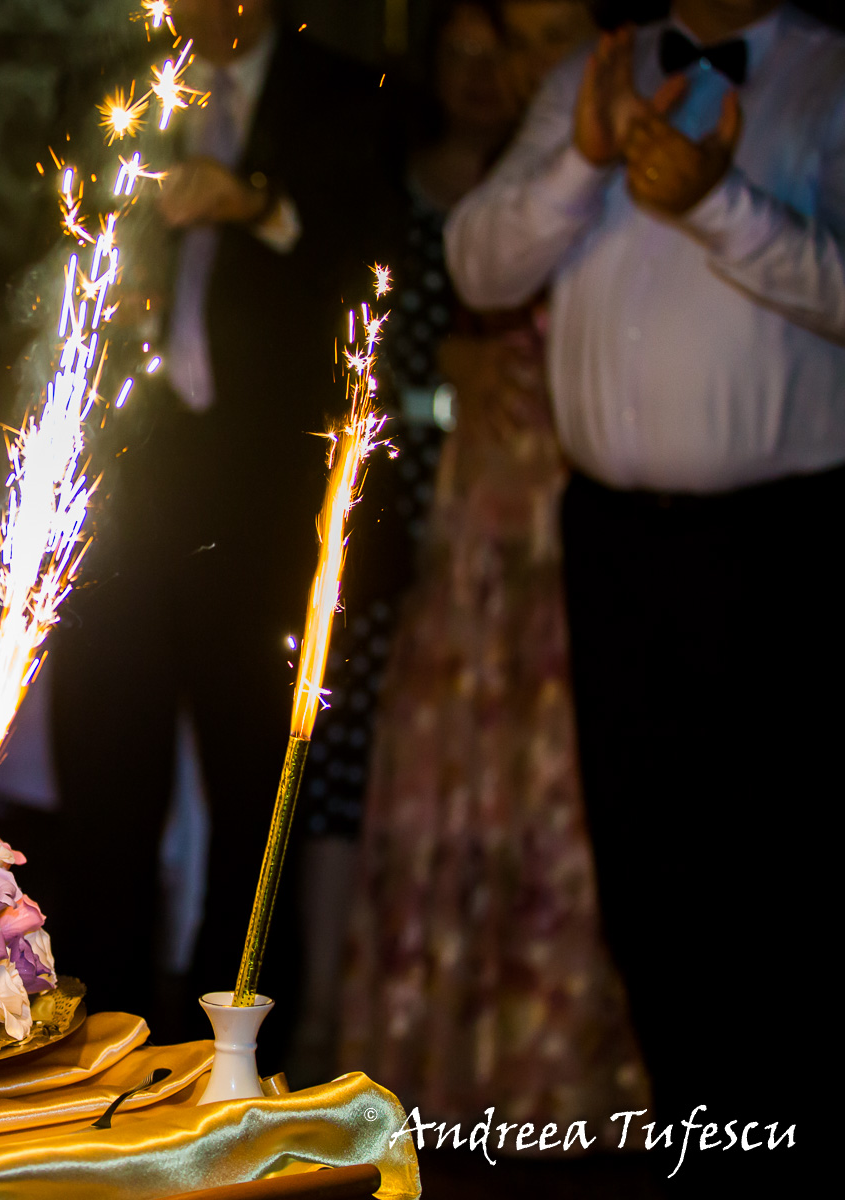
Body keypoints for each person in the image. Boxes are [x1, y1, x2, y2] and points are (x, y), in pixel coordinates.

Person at [446, 0, 842, 1166]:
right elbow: (478, 262)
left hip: (787, 548)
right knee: (648, 880)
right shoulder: (591, 71)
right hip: (611, 542)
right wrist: (582, 156)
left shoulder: (828, 79)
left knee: (785, 886)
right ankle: (705, 1148)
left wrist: (716, 204)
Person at [48, 0, 401, 1048]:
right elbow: (59, 238)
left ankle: (233, 1065)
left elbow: (377, 257)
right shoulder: (114, 83)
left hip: (266, 499)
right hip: (124, 488)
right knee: (103, 775)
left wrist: (257, 205)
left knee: (259, 786)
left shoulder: (344, 97)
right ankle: (97, 1043)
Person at [336, 0, 654, 1128]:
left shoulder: (645, 131)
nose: (518, 65)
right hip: (480, 499)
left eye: (540, 32)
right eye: (491, 45)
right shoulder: (490, 173)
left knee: (566, 752)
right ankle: (443, 1053)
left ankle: (565, 1061)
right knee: (463, 743)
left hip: (581, 481)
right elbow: (435, 319)